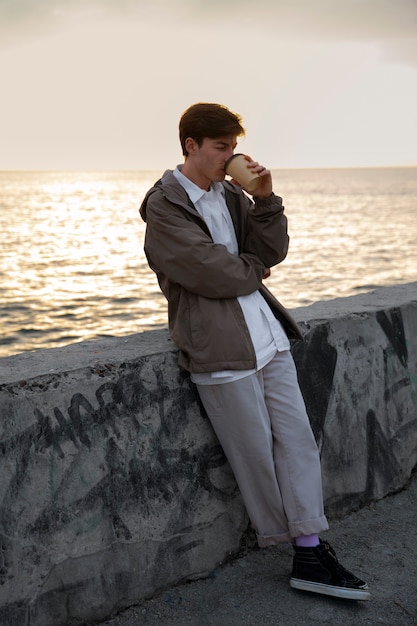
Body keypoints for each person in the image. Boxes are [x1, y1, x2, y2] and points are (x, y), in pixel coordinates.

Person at [139, 102, 370, 601]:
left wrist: (265, 199)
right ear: (191, 145)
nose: (229, 157)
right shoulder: (164, 205)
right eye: (220, 147)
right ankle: (297, 550)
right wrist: (249, 269)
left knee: (298, 444)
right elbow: (208, 272)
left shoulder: (231, 193)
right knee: (256, 459)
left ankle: (310, 546)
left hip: (266, 337)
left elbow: (270, 253)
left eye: (234, 148)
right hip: (219, 349)